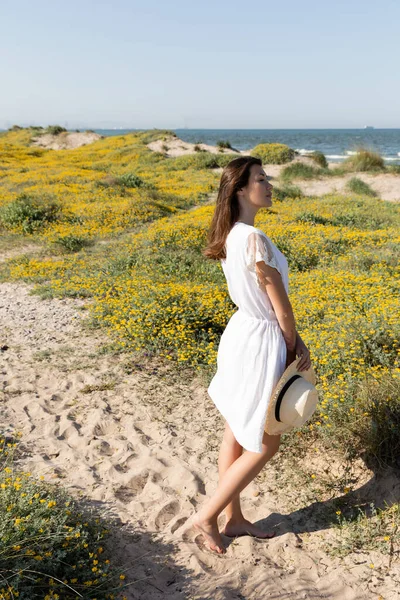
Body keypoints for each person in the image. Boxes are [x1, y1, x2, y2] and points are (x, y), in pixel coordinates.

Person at [189, 155, 311, 554]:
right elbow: (281, 307)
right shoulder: (254, 239)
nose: (269, 184)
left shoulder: (231, 235)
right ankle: (208, 515)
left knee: (236, 432)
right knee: (265, 440)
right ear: (241, 188)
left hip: (241, 334)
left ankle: (235, 519)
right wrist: (296, 344)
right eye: (261, 178)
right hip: (262, 340)